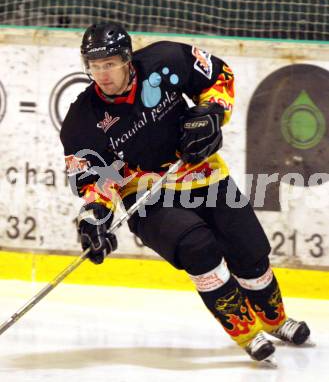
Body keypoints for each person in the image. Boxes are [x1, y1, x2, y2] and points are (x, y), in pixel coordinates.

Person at [60, 22, 311, 365]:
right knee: (198, 247)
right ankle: (246, 332)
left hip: (199, 171)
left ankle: (275, 319)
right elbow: (94, 180)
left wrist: (212, 113)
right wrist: (94, 218)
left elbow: (218, 77)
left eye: (109, 64)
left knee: (249, 249)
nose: (102, 74)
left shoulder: (166, 60)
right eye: (94, 66)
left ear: (127, 59)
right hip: (145, 193)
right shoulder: (81, 120)